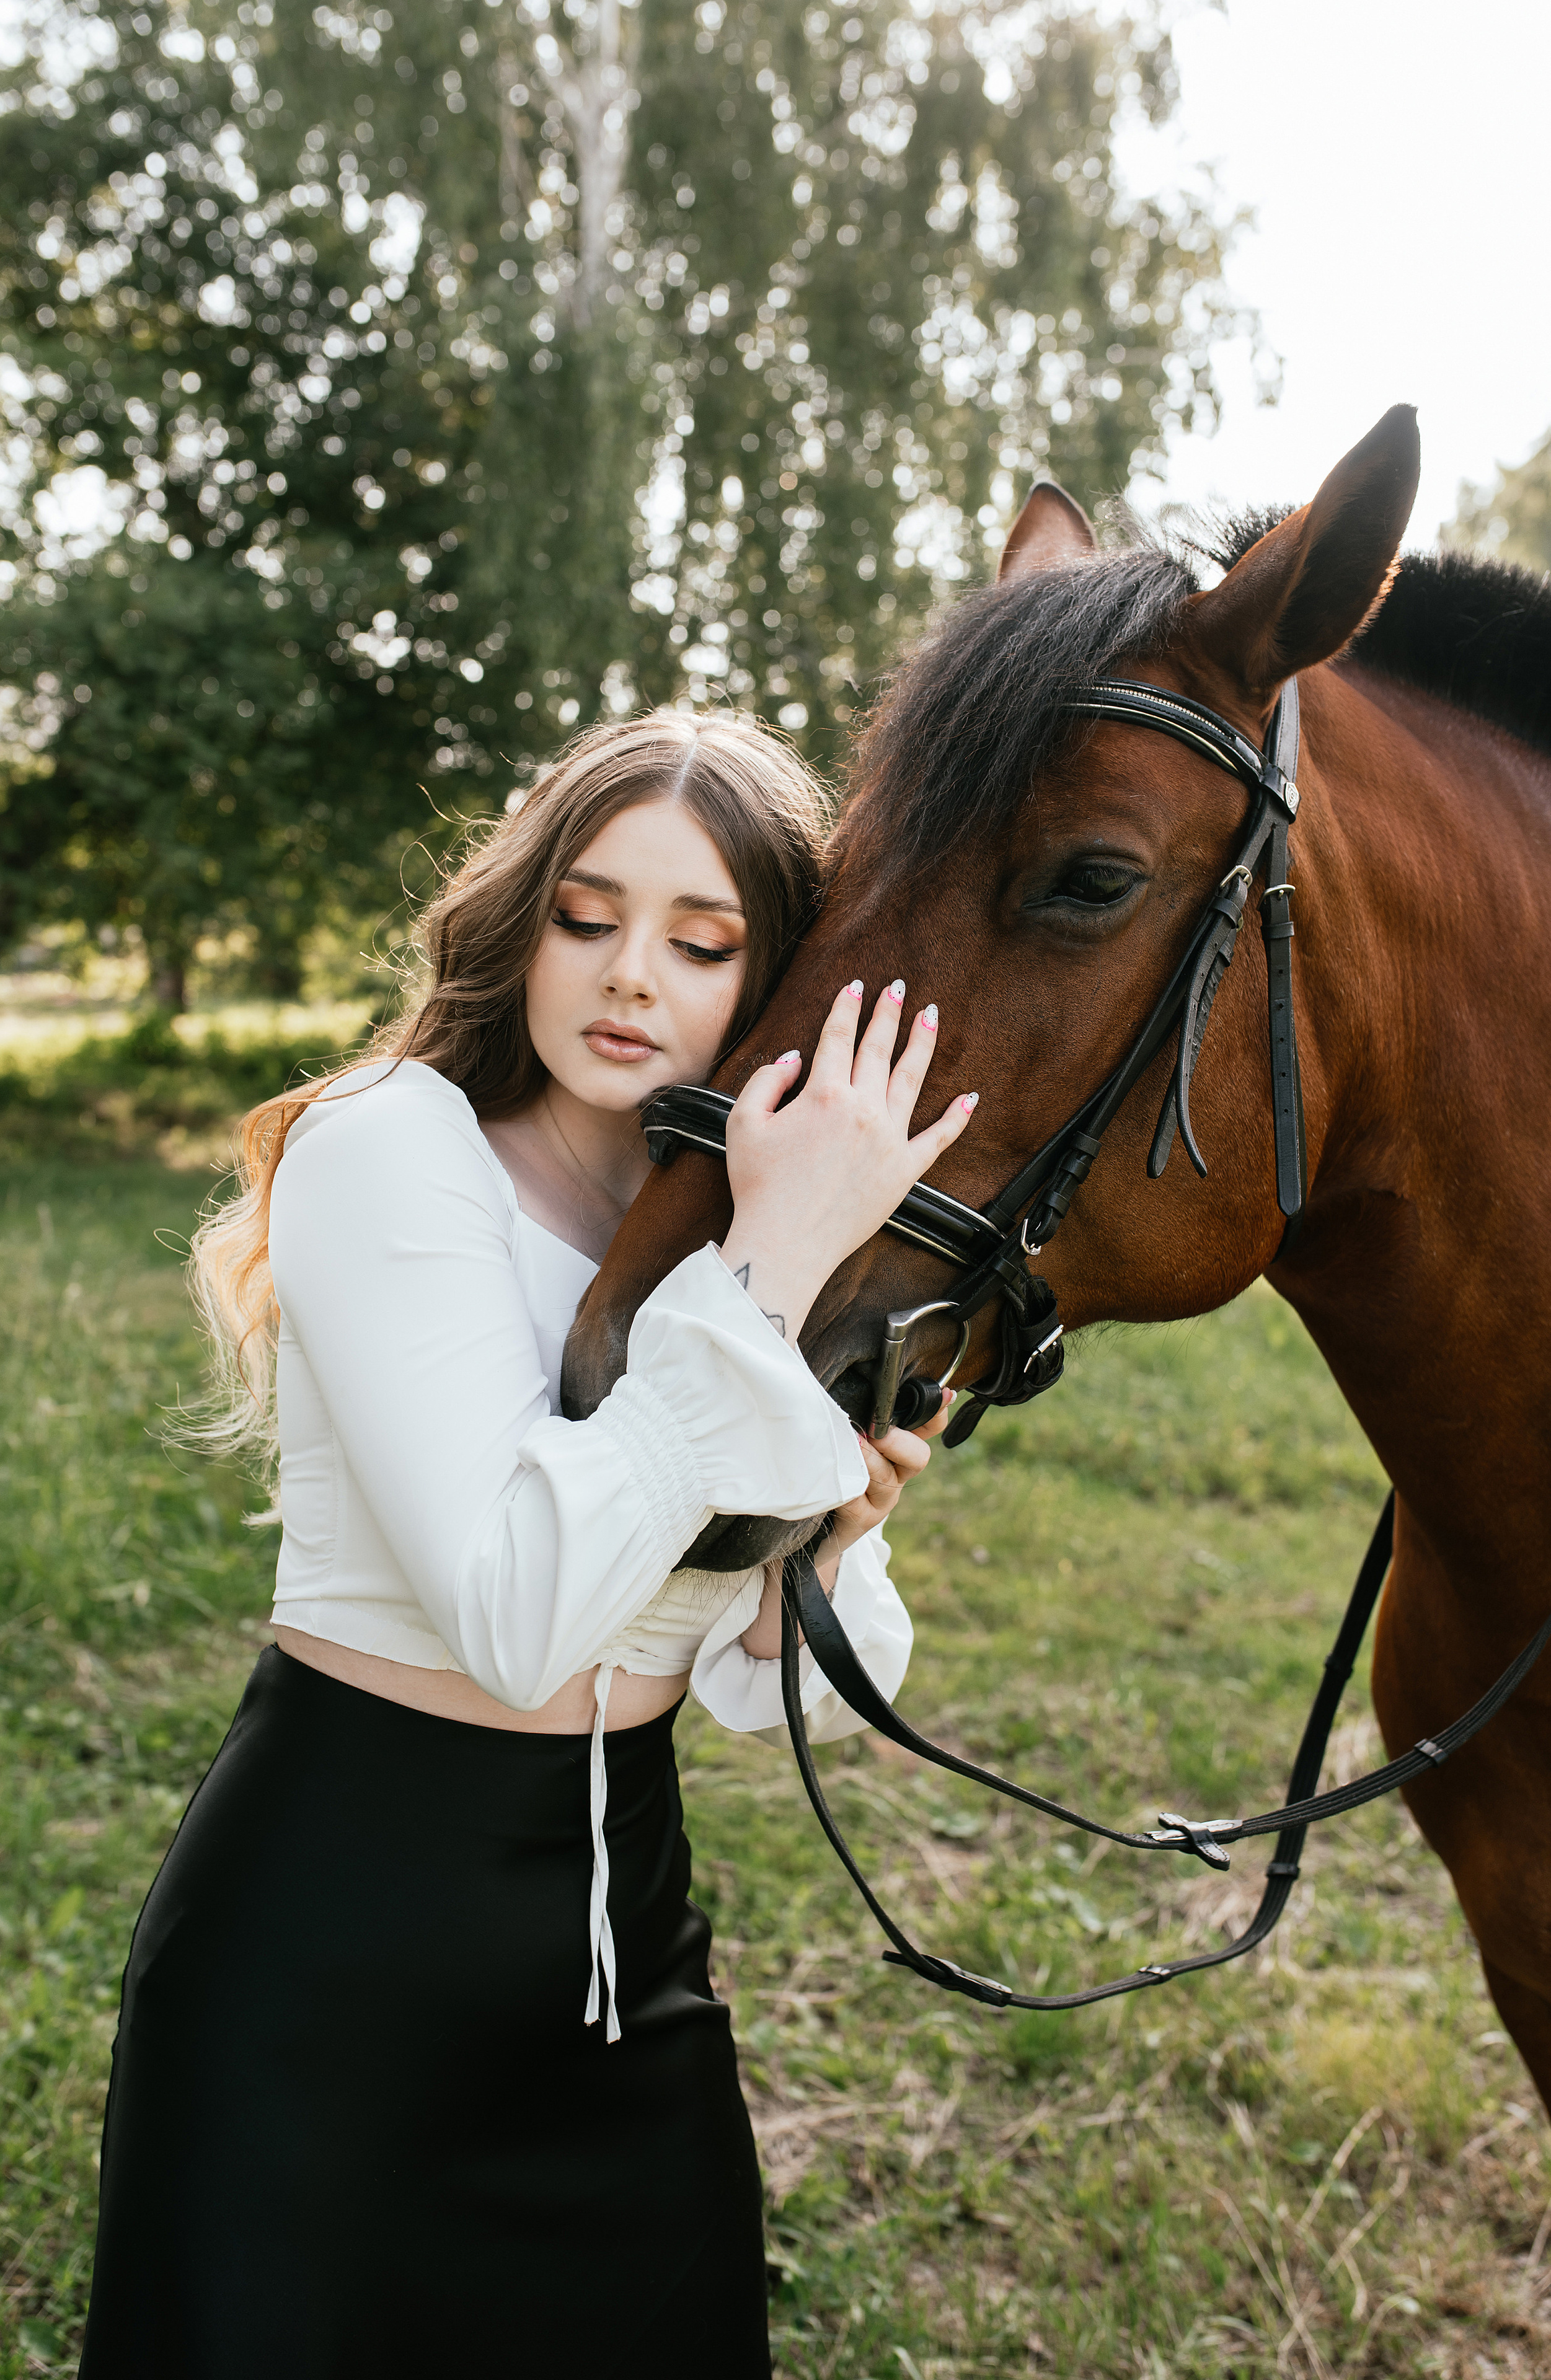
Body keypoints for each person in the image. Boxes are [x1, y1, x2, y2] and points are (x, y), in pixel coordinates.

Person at [77, 709, 977, 2380]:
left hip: (625, 1953)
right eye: (589, 915)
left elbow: (776, 1685)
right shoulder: (395, 1146)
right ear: (522, 920)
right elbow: (512, 1612)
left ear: (773, 975)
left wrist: (835, 1540)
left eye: (702, 942)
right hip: (332, 1953)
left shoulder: (717, 1237)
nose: (632, 973)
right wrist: (773, 1264)